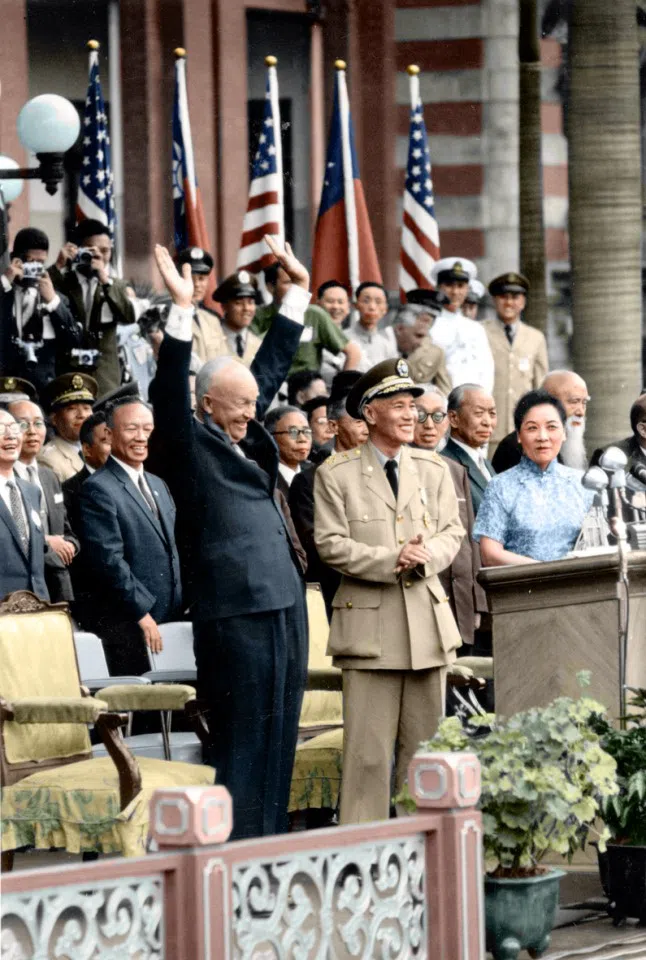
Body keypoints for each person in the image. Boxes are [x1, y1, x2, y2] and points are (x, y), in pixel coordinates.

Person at [153, 235, 310, 840]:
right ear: (207, 403)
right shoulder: (186, 446)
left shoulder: (246, 432)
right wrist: (181, 308)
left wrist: (295, 292)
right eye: (239, 404)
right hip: (234, 610)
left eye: (253, 404)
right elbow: (169, 391)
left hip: (283, 601)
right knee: (244, 737)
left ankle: (267, 847)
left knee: (280, 732)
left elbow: (264, 371)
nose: (252, 412)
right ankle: (235, 854)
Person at [313, 358, 464, 824]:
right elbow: (329, 544)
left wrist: (427, 557)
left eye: (412, 406)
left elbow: (452, 532)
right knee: (368, 759)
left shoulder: (434, 468)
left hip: (427, 629)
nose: (410, 415)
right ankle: (363, 863)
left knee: (427, 757)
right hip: (370, 634)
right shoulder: (335, 474)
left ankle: (425, 859)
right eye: (398, 405)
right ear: (369, 412)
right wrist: (390, 560)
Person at [78, 395, 182, 675]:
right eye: (131, 429)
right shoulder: (99, 488)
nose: (141, 437)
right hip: (133, 623)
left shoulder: (158, 483)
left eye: (147, 429)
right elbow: (109, 561)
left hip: (172, 617)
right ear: (110, 434)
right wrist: (141, 613)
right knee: (145, 712)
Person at [474, 389, 595, 564]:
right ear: (519, 436)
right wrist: (545, 572)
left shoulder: (582, 482)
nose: (543, 437)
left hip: (577, 586)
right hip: (523, 585)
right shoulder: (500, 486)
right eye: (532, 428)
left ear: (564, 433)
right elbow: (490, 553)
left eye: (552, 427)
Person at [289, 384, 369, 618]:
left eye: (368, 421)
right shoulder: (308, 481)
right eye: (357, 421)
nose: (366, 429)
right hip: (337, 598)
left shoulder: (381, 475)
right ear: (334, 426)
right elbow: (318, 545)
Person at [413, 388, 484, 646]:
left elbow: (470, 536)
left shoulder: (455, 469)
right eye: (420, 415)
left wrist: (478, 601)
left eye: (438, 416)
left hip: (460, 594)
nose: (429, 425)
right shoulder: (397, 468)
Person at [50, 219, 135, 394]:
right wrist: (58, 265)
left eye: (105, 251)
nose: (99, 256)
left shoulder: (115, 285)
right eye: (90, 250)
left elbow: (129, 317)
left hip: (104, 378)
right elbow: (39, 294)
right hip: (69, 374)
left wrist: (104, 279)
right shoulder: (63, 282)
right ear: (77, 250)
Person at [9, 397, 79, 603]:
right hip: (21, 590)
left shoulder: (49, 477)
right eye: (22, 424)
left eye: (38, 423)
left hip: (57, 584)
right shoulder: (6, 479)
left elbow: (66, 532)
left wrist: (70, 546)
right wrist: (49, 543)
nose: (32, 431)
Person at [0, 228, 80, 392]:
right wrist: (5, 282)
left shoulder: (57, 299)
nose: (34, 269)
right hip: (6, 386)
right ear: (16, 259)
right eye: (30, 262)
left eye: (40, 263)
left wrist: (52, 301)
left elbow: (74, 341)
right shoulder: (4, 292)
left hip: (45, 388)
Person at [253, 262, 360, 374]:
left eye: (298, 282)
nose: (295, 288)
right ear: (271, 287)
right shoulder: (256, 315)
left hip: (306, 383)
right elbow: (247, 354)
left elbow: (353, 352)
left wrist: (345, 386)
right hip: (267, 381)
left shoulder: (314, 314)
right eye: (289, 283)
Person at [483, 273, 548, 453]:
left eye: (515, 297)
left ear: (523, 302)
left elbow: (540, 386)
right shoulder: (480, 332)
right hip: (488, 427)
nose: (509, 303)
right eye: (503, 297)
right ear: (495, 300)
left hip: (523, 428)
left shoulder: (535, 337)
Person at [492, 369, 590, 473]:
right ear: (547, 401)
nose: (581, 412)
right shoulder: (516, 446)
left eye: (584, 403)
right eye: (574, 402)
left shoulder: (571, 442)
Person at [0, 408, 48, 600]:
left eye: (13, 427)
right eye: (1, 429)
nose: (10, 435)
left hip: (36, 610)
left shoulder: (31, 491)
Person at [426, 258, 494, 392]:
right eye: (449, 285)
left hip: (473, 402)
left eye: (460, 286)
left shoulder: (476, 329)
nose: (455, 292)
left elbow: (486, 370)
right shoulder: (429, 325)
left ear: (467, 289)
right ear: (438, 288)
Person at [442, 384, 497, 514]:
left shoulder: (485, 463)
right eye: (479, 413)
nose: (487, 422)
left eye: (492, 413)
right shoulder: (446, 465)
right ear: (454, 418)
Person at [38, 373, 98, 482]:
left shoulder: (99, 449)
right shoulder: (48, 460)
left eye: (86, 408)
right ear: (54, 419)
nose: (82, 415)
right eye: (71, 408)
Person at [62, 410, 111, 535]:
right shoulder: (70, 492)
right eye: (106, 442)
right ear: (87, 449)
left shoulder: (134, 481)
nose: (115, 447)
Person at [392, 303, 451, 393]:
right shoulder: (382, 345)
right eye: (418, 336)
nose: (420, 343)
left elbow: (445, 392)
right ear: (400, 329)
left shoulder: (435, 352)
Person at [347, 281, 398, 372]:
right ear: (356, 305)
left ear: (385, 309)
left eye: (378, 302)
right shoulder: (344, 338)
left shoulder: (388, 344)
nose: (372, 307)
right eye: (366, 301)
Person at [265, 405, 313, 498]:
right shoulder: (264, 479)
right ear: (271, 437)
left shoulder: (316, 473)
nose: (302, 439)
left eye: (306, 431)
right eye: (293, 432)